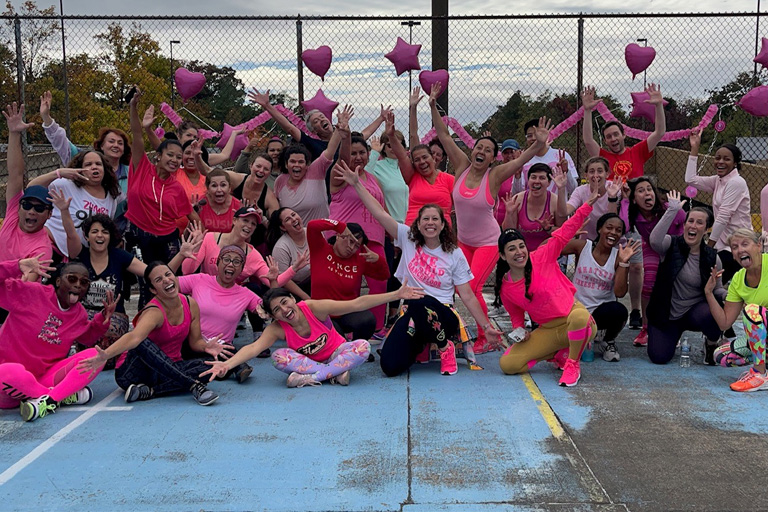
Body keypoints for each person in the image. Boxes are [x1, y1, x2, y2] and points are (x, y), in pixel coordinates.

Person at [335, 161, 503, 376]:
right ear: (418, 224)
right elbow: (379, 213)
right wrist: (357, 184)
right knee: (390, 366)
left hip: (444, 315)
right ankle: (419, 345)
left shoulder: (454, 253)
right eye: (426, 219)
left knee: (418, 299)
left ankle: (445, 348)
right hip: (413, 313)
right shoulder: (407, 239)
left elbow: (468, 296)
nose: (430, 222)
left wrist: (486, 326)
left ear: (443, 225)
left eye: (435, 219)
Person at [430, 82, 551, 354]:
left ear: (492, 157)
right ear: (472, 150)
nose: (481, 151)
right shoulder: (461, 166)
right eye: (478, 147)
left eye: (487, 150)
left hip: (487, 242)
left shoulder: (494, 176)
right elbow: (443, 135)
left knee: (470, 288)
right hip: (463, 242)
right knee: (460, 288)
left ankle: (486, 336)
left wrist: (538, 144)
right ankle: (477, 330)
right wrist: (432, 104)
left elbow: (519, 162)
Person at [201, 281, 424, 388]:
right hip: (309, 363)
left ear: (292, 298)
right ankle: (335, 374)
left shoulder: (313, 307)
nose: (285, 310)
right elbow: (253, 348)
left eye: (285, 302)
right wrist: (227, 365)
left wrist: (396, 294)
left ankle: (316, 377)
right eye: (277, 310)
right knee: (277, 357)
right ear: (274, 316)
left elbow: (356, 304)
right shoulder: (277, 328)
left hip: (337, 353)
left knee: (363, 347)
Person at [57, 209, 198, 369]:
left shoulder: (120, 256)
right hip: (85, 319)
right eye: (94, 231)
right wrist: (63, 210)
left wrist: (181, 254)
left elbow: (154, 274)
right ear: (87, 236)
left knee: (105, 359)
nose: (100, 235)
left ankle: (103, 355)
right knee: (76, 327)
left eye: (105, 232)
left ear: (110, 237)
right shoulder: (80, 254)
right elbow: (70, 234)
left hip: (113, 318)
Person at [78, 262, 230, 406]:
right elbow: (134, 337)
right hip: (133, 373)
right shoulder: (154, 312)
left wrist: (206, 347)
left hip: (169, 369)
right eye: (159, 279)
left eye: (168, 274)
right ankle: (194, 386)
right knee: (142, 342)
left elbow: (195, 342)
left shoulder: (191, 304)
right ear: (153, 290)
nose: (166, 280)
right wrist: (105, 355)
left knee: (210, 365)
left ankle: (149, 392)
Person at [496, 196, 600, 387]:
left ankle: (572, 363)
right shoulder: (506, 287)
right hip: (549, 331)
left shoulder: (542, 256)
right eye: (511, 249)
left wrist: (586, 207)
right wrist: (521, 332)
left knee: (578, 318)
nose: (519, 252)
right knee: (508, 364)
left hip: (575, 320)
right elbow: (517, 318)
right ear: (503, 256)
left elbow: (563, 234)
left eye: (521, 246)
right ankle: (558, 353)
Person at [0, 256, 117, 422]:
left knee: (97, 356)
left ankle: (48, 400)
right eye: (72, 279)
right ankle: (60, 395)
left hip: (45, 377)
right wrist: (16, 266)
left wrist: (102, 320)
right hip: (8, 383)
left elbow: (88, 338)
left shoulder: (79, 314)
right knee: (10, 372)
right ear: (58, 282)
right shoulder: (30, 292)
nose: (78, 285)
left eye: (84, 283)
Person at [125, 89, 200, 308]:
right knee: (148, 283)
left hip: (167, 240)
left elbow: (191, 214)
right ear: (159, 156)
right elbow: (137, 135)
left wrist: (199, 233)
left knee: (169, 283)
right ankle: (146, 324)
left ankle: (174, 322)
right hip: (139, 236)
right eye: (170, 155)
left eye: (179, 158)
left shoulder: (176, 187)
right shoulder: (141, 168)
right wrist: (133, 107)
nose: (175, 160)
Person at [648, 192, 724, 365]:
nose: (693, 226)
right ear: (684, 224)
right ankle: (671, 336)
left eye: (699, 223)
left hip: (694, 313)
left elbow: (718, 288)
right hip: (666, 313)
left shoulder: (713, 257)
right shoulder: (670, 244)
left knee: (712, 312)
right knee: (658, 357)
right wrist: (672, 210)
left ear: (706, 229)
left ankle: (711, 343)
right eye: (690, 221)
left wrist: (728, 295)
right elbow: (654, 240)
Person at [329, 135, 389, 333]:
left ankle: (376, 330)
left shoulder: (374, 180)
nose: (358, 157)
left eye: (362, 152)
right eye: (353, 153)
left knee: (380, 285)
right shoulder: (340, 174)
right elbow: (343, 159)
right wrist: (344, 134)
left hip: (374, 240)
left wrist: (393, 235)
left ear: (369, 154)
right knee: (349, 287)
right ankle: (348, 330)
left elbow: (383, 208)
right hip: (347, 240)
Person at [178, 245, 263, 383]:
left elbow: (269, 310)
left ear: (241, 269)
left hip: (220, 347)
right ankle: (231, 368)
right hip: (192, 341)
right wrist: (181, 255)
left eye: (236, 262)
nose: (231, 264)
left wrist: (273, 283)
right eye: (227, 259)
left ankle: (223, 367)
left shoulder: (245, 294)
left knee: (225, 351)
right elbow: (167, 284)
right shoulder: (199, 280)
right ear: (218, 263)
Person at [561, 213, 640, 362]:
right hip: (575, 310)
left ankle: (607, 341)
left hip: (600, 313)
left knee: (619, 310)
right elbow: (547, 248)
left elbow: (620, 292)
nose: (613, 233)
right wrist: (565, 235)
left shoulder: (618, 256)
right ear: (599, 229)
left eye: (618, 230)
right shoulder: (583, 246)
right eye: (609, 228)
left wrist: (624, 263)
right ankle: (584, 335)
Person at [620, 176, 685, 346]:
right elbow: (624, 227)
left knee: (672, 286)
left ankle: (670, 328)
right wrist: (625, 201)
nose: (647, 193)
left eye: (649, 189)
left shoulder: (667, 208)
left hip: (673, 248)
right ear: (635, 199)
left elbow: (682, 219)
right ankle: (646, 328)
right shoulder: (636, 214)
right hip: (651, 247)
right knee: (648, 285)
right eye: (641, 191)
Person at [307, 218, 390, 343]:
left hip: (347, 313)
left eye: (357, 245)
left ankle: (357, 346)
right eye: (350, 241)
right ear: (339, 236)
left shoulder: (359, 259)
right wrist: (339, 226)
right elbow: (312, 225)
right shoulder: (320, 249)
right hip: (323, 315)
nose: (352, 248)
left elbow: (384, 275)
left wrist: (378, 259)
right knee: (337, 342)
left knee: (367, 320)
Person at [705, 229, 768, 391]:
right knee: (722, 356)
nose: (740, 250)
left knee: (752, 311)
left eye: (745, 244)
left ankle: (760, 374)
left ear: (758, 246)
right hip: (764, 338)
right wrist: (709, 293)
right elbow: (724, 323)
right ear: (733, 255)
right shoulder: (738, 279)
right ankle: (763, 363)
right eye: (735, 247)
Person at [685, 128, 751, 283]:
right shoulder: (718, 180)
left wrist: (709, 247)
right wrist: (695, 149)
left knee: (713, 283)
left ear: (735, 163)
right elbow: (690, 179)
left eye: (726, 159)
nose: (720, 162)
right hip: (723, 244)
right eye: (718, 158)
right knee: (711, 283)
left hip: (738, 244)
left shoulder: (736, 182)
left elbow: (723, 217)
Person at [28, 150, 121, 258]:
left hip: (82, 255)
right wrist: (58, 173)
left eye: (98, 164)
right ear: (80, 169)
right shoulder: (65, 185)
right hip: (51, 246)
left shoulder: (110, 197)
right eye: (88, 164)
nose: (94, 167)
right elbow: (31, 189)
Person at [40, 90, 131, 193]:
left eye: (120, 143)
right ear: (101, 145)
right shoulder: (82, 159)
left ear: (124, 149)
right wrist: (46, 118)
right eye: (111, 141)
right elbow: (61, 141)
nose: (116, 145)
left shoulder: (131, 172)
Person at [1, 103, 53, 282]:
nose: (31, 211)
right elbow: (16, 174)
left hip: (14, 301)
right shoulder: (13, 215)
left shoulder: (43, 247)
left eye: (39, 208)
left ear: (49, 214)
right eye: (28, 205)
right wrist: (14, 133)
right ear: (19, 206)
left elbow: (25, 283)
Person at [273, 108, 348, 222]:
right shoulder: (314, 147)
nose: (321, 119)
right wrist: (267, 106)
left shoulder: (346, 142)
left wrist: (341, 127)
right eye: (316, 121)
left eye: (322, 116)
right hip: (329, 196)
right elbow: (290, 128)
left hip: (347, 191)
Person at [383, 112, 454, 227]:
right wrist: (391, 136)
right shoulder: (412, 177)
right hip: (414, 232)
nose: (422, 162)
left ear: (433, 158)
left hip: (441, 234)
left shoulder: (448, 180)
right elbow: (402, 155)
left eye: (425, 157)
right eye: (417, 160)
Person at [582, 84, 667, 180]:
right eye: (609, 137)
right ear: (605, 141)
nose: (613, 139)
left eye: (616, 134)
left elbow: (659, 132)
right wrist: (587, 110)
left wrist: (659, 106)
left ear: (623, 135)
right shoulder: (602, 157)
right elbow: (588, 140)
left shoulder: (638, 152)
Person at [501, 162, 568, 251]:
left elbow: (563, 232)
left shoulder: (554, 201)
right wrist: (509, 214)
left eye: (542, 178)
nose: (537, 181)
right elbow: (509, 232)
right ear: (528, 181)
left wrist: (548, 228)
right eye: (533, 177)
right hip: (523, 255)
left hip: (548, 253)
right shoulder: (518, 200)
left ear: (548, 183)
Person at [507, 118, 579, 197]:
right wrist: (517, 176)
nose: (534, 138)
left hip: (557, 208)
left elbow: (573, 190)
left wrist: (566, 171)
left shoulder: (561, 156)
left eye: (537, 134)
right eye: (529, 136)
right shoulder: (523, 159)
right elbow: (516, 194)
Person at [566, 156, 622, 240]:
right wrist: (561, 188)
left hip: (611, 241)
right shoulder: (580, 191)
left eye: (600, 171)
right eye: (591, 172)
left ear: (607, 174)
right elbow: (566, 211)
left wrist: (612, 198)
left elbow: (613, 222)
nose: (595, 175)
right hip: (587, 241)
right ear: (586, 175)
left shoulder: (615, 189)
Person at [267, 208, 311, 296]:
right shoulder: (281, 247)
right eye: (288, 219)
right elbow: (284, 281)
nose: (293, 219)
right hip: (298, 288)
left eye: (294, 215)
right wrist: (306, 298)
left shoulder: (313, 232)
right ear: (283, 227)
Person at [196, 169, 242, 234]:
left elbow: (245, 238)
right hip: (204, 242)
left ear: (229, 188)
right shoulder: (201, 203)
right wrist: (193, 213)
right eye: (214, 186)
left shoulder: (237, 205)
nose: (219, 190)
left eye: (223, 185)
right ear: (208, 189)